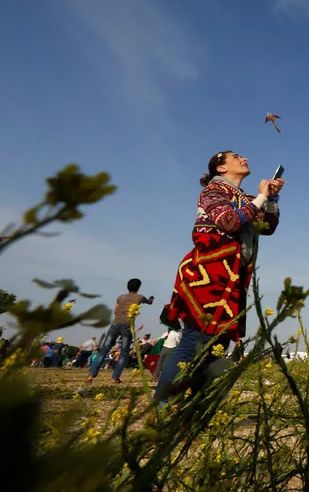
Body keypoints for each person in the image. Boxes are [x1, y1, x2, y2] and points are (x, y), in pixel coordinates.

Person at [154, 150, 283, 404]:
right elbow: (227, 222)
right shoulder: (214, 192)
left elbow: (267, 227)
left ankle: (191, 409)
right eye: (237, 157)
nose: (245, 159)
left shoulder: (244, 198)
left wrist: (271, 198)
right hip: (208, 272)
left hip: (232, 275)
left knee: (218, 346)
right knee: (195, 340)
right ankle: (163, 406)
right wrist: (259, 198)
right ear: (221, 168)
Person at [87, 279, 154, 384]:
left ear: (127, 287)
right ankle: (115, 377)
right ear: (139, 287)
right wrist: (151, 298)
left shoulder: (121, 297)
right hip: (127, 326)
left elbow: (115, 311)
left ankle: (91, 375)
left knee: (104, 350)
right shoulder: (140, 297)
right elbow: (149, 302)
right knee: (124, 352)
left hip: (115, 324)